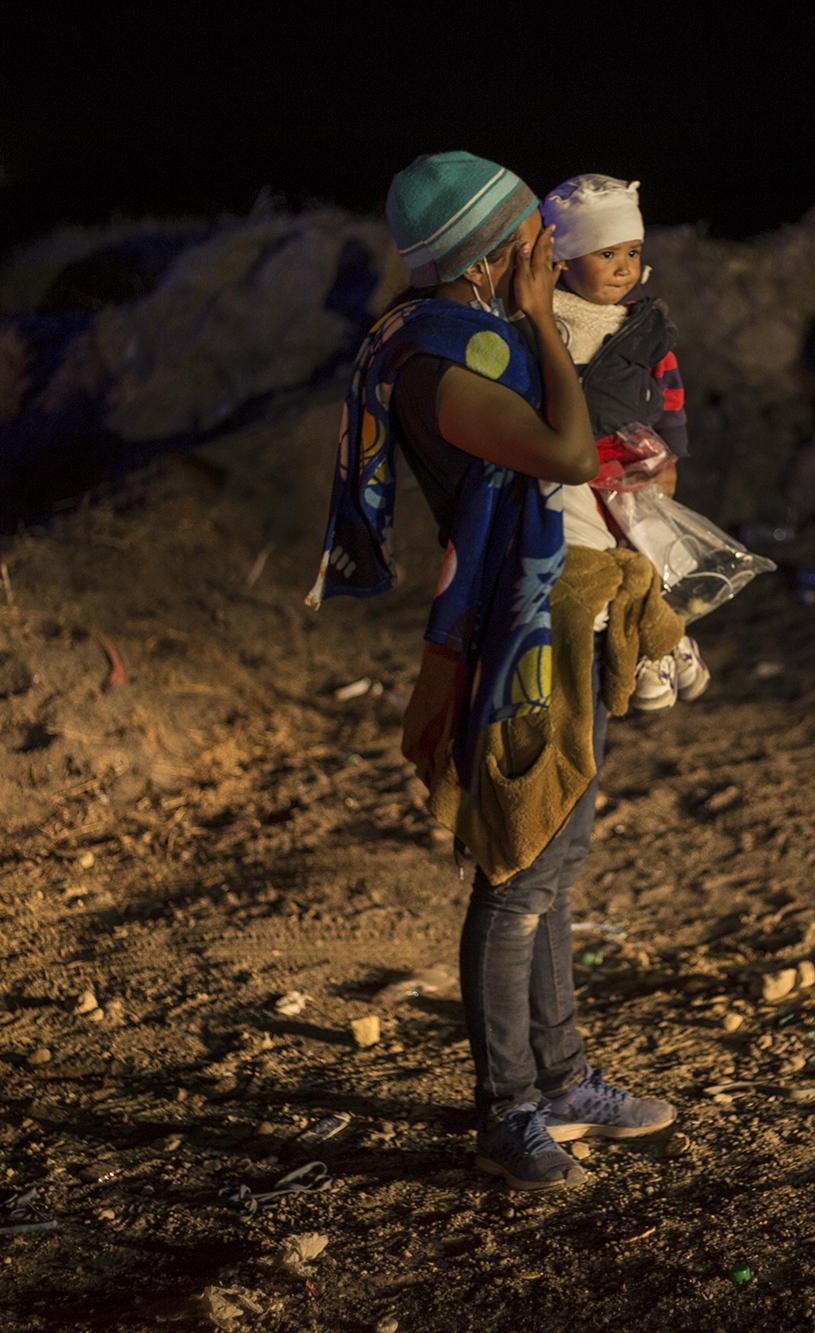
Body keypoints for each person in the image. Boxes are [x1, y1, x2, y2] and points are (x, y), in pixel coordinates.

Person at [308, 151, 679, 1191]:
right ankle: (505, 1109)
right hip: (509, 633)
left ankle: (559, 1077)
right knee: (514, 874)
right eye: (527, 232)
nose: (544, 248)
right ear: (484, 249)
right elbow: (561, 453)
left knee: (551, 864)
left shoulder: (464, 338)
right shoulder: (437, 364)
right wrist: (540, 327)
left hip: (552, 609)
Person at [538, 173, 709, 711]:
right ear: (563, 259)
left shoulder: (645, 325)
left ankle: (662, 645)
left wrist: (672, 454)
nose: (623, 267)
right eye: (605, 252)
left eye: (632, 251)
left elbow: (671, 390)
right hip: (569, 464)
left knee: (653, 552)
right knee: (594, 564)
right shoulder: (545, 319)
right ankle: (641, 645)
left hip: (632, 460)